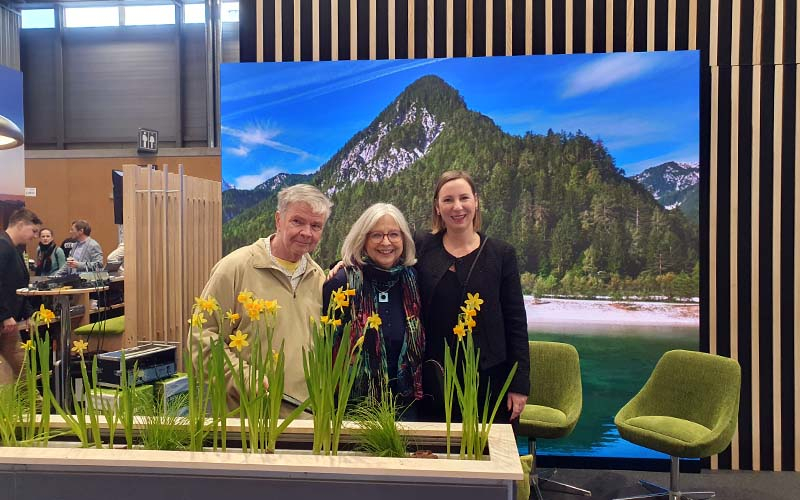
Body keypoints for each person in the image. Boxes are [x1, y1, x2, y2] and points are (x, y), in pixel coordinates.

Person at [191, 184, 332, 414]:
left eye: (316, 226)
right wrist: (246, 379)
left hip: (305, 424)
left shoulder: (318, 278)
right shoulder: (235, 268)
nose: (307, 232)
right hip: (248, 422)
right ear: (278, 219)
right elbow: (201, 340)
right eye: (297, 221)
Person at [416, 170, 530, 423]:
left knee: (490, 455)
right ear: (437, 206)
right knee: (435, 457)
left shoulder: (501, 254)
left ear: (476, 201)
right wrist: (344, 264)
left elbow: (516, 323)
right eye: (448, 200)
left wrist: (519, 384)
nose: (457, 207)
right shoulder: (422, 246)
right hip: (434, 381)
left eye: (464, 198)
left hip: (491, 380)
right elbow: (380, 249)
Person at [323, 203, 424, 418]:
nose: (386, 242)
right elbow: (326, 348)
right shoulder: (342, 283)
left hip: (406, 406)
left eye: (394, 234)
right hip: (354, 409)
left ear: (404, 240)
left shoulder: (413, 280)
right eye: (376, 235)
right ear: (363, 240)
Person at [0, 208, 42, 385]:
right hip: (5, 320)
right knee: (9, 379)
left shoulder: (15, 249)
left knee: (23, 375)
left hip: (10, 324)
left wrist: (28, 314)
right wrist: (4, 315)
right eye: (33, 231)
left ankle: (36, 410)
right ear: (20, 224)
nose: (35, 236)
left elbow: (19, 288)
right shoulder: (2, 245)